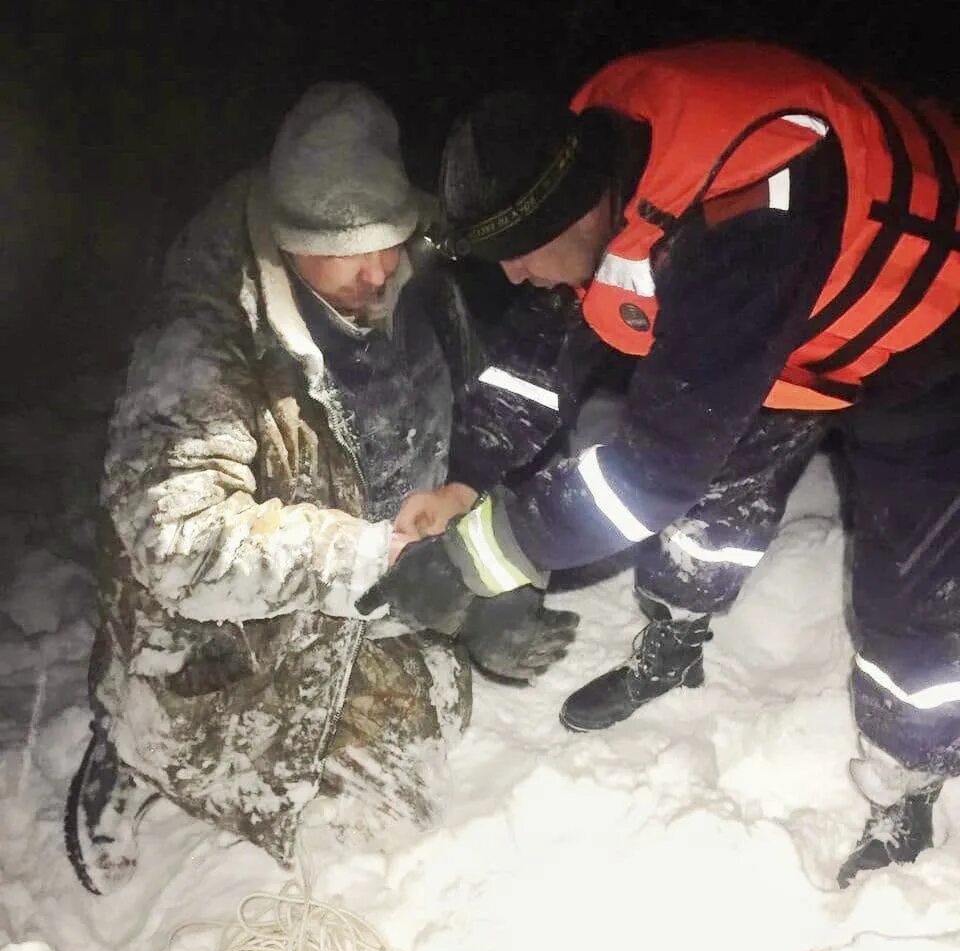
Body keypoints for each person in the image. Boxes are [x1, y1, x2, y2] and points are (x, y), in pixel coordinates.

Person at [359, 41, 960, 886]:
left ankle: (909, 781)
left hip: (922, 334)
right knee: (715, 511)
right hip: (793, 330)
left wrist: (472, 559)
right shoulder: (603, 179)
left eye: (526, 249)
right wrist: (464, 478)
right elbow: (537, 361)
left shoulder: (746, 213)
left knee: (912, 591)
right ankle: (673, 647)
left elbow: (651, 472)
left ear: (580, 212)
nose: (514, 272)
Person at [64, 82, 577, 896]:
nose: (378, 270)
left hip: (385, 590)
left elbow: (511, 389)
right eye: (345, 246)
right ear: (286, 236)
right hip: (252, 619)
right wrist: (376, 559)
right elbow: (175, 535)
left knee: (392, 823)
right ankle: (134, 748)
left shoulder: (424, 261)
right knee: (202, 741)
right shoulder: (204, 332)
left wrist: (490, 570)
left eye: (389, 238)